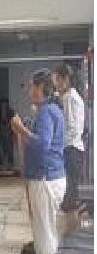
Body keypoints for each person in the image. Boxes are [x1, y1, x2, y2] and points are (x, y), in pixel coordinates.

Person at [11, 69, 66, 254]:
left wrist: (20, 129)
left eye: (33, 86)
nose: (30, 91)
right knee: (48, 231)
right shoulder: (53, 110)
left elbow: (42, 145)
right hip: (51, 176)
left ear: (41, 88)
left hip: (45, 178)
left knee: (44, 234)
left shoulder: (46, 111)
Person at [53, 65, 85, 229]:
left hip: (71, 150)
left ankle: (73, 234)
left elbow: (73, 129)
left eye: (57, 80)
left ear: (66, 80)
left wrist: (57, 145)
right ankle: (70, 234)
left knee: (70, 197)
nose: (56, 84)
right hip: (69, 149)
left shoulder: (71, 98)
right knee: (67, 196)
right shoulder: (65, 97)